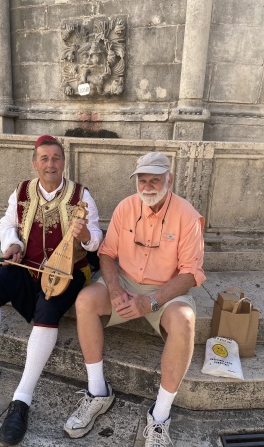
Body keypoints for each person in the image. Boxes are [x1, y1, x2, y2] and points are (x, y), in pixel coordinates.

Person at [0, 135, 103, 446]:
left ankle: (21, 399)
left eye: (56, 158)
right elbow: (7, 223)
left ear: (64, 163)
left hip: (67, 273)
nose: (51, 164)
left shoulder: (81, 195)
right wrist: (12, 246)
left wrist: (86, 233)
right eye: (44, 159)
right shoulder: (22, 191)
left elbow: (97, 241)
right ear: (35, 163)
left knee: (47, 311)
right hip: (27, 266)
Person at [64, 152, 206, 446]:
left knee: (185, 320)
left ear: (170, 178)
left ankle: (160, 416)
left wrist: (151, 301)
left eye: (155, 178)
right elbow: (107, 253)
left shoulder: (188, 215)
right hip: (125, 283)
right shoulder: (126, 207)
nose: (148, 185)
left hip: (165, 291)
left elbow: (191, 274)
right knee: (86, 301)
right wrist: (115, 289)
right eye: (143, 179)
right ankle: (98, 392)